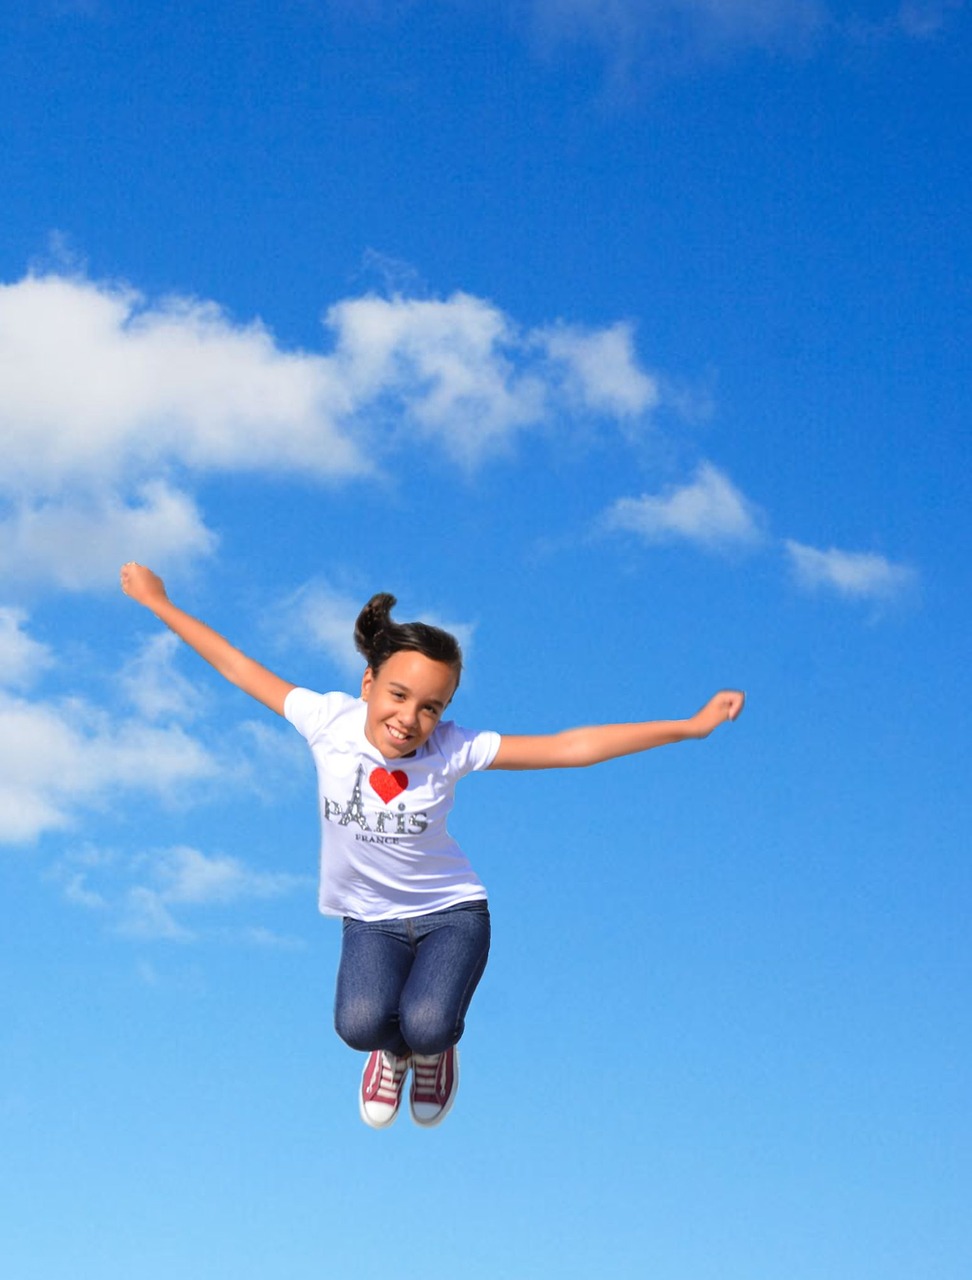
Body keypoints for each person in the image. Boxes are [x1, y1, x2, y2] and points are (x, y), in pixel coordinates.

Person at [119, 562, 744, 1130]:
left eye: (431, 707)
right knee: (359, 1026)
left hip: (451, 915)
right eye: (398, 695)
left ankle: (432, 1051)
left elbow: (570, 747)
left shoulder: (454, 748)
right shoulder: (325, 721)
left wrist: (687, 727)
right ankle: (394, 1056)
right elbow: (234, 663)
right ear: (368, 683)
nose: (410, 719)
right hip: (370, 921)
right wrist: (158, 602)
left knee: (429, 1022)